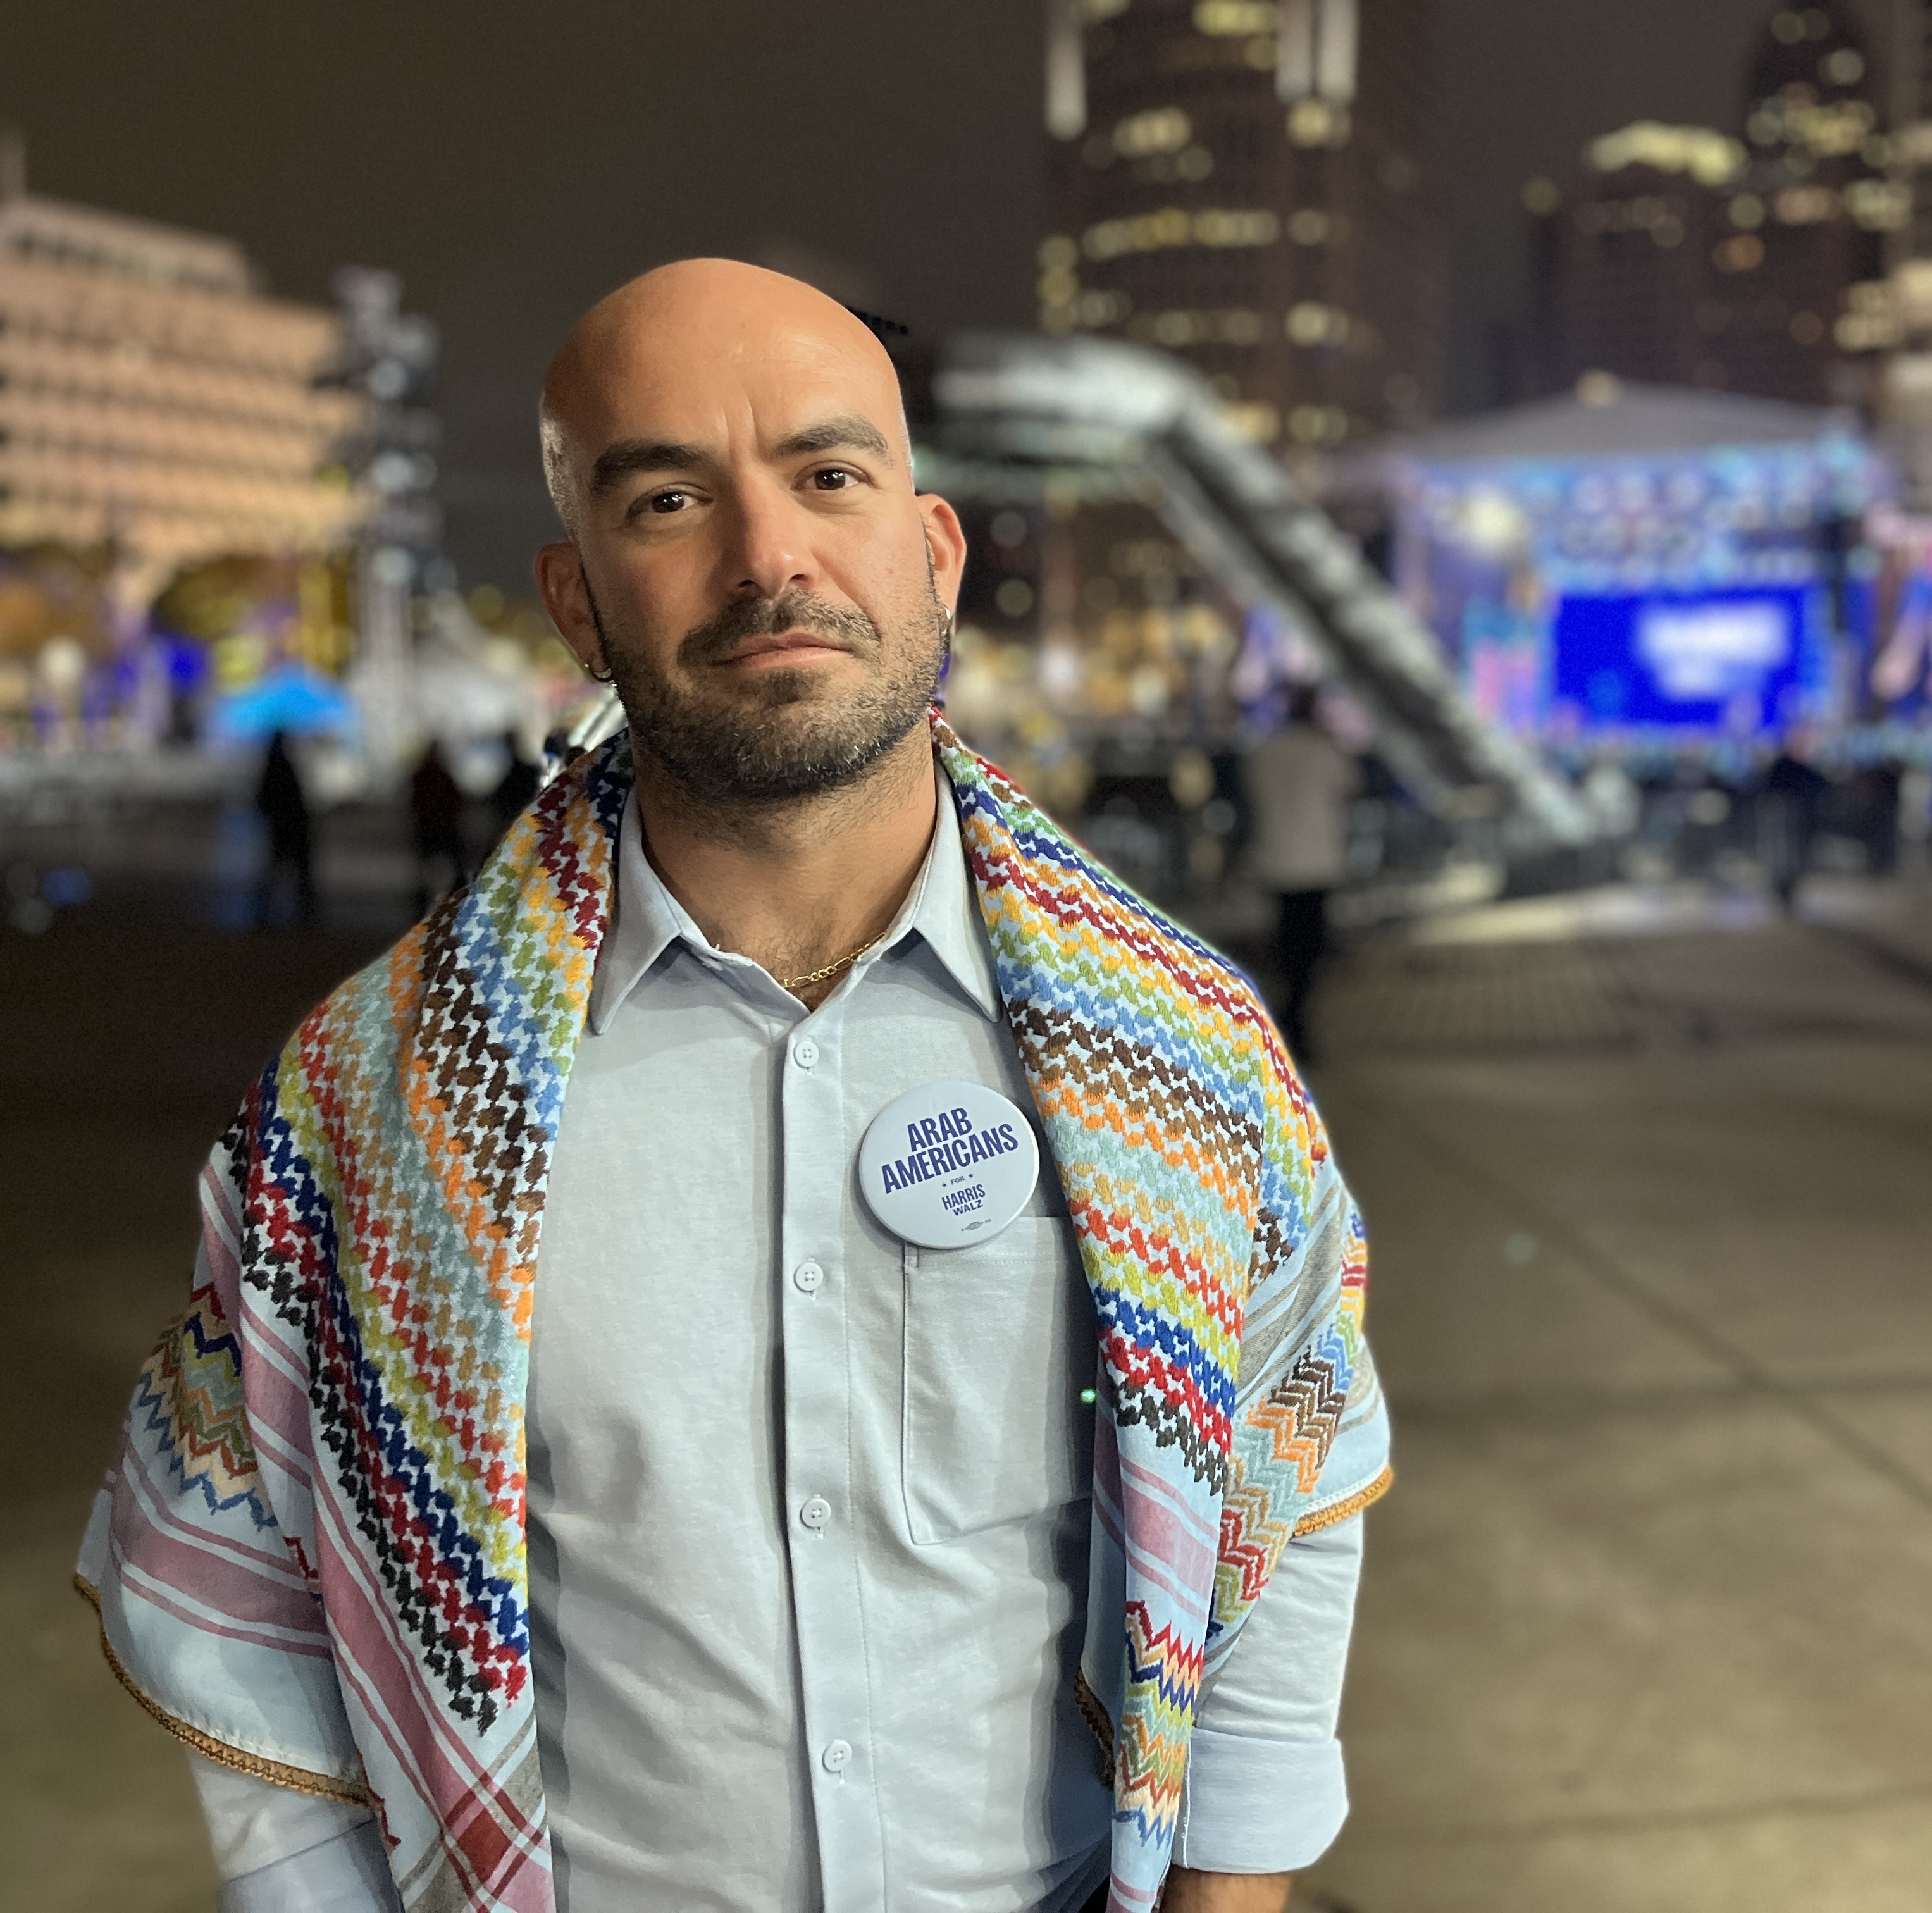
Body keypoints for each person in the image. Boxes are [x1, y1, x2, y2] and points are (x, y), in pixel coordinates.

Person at [75, 261, 1389, 1913]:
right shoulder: (368, 1115)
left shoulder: (1184, 1055)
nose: (771, 558)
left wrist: (1229, 1897)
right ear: (577, 602)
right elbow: (258, 1597)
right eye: (672, 496)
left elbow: (1288, 1460)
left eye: (831, 476)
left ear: (934, 551)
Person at [1243, 685, 1356, 1060]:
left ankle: (1287, 1018)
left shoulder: (1266, 751)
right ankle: (1296, 1020)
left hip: (1277, 860)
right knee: (1310, 948)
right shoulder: (1325, 751)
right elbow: (1350, 786)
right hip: (1318, 862)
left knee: (1286, 942)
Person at [1758, 732, 1827, 915]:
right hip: (1783, 818)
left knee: (1787, 856)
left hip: (1790, 819)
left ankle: (1785, 890)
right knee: (1783, 855)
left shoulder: (1791, 766)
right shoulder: (1787, 766)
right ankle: (1783, 890)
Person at [252, 729, 314, 925]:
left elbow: (263, 800)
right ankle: (304, 914)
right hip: (289, 827)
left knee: (279, 870)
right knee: (292, 871)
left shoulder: (274, 767)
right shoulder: (282, 767)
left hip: (282, 828)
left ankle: (271, 912)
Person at [408, 737, 469, 911]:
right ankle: (457, 901)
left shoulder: (423, 776)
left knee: (427, 870)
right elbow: (456, 800)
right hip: (442, 828)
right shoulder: (438, 776)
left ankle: (423, 906)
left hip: (430, 828)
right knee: (455, 867)